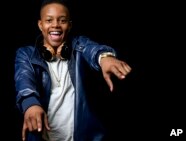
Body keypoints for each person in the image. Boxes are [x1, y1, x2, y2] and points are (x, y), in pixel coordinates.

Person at [14, 0, 132, 140]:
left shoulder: (79, 46)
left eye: (62, 20)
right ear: (40, 25)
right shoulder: (26, 54)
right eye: (49, 20)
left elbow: (93, 50)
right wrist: (30, 105)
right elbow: (24, 81)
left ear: (69, 25)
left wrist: (104, 57)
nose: (55, 25)